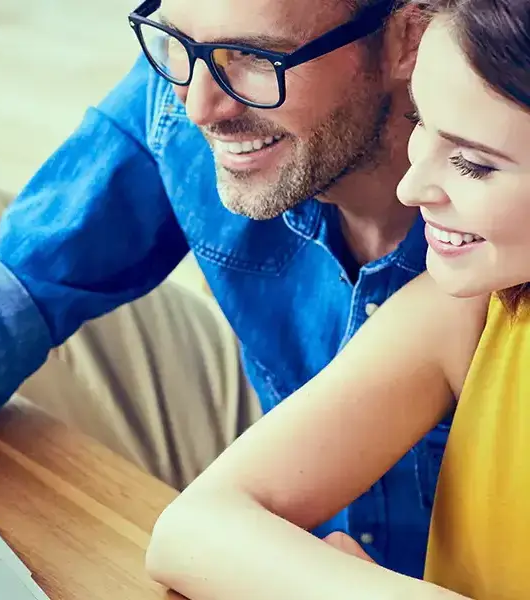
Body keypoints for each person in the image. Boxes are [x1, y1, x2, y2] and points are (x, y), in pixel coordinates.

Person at [0, 0, 433, 578]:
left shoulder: (494, 204)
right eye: (179, 43)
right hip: (282, 438)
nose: (200, 107)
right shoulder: (188, 83)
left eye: (257, 58)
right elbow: (23, 279)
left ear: (410, 34)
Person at [145, 0, 530, 598]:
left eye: (473, 163)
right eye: (420, 121)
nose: (411, 185)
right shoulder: (472, 314)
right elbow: (192, 529)